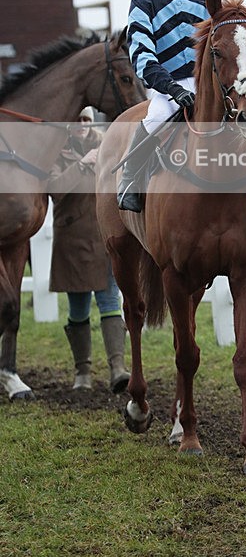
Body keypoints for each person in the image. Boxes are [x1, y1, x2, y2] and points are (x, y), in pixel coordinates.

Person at [118, 0, 211, 212]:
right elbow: (142, 58)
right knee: (156, 118)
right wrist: (172, 89)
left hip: (210, 81)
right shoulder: (143, 2)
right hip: (167, 88)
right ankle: (130, 180)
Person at [48, 108, 130, 393]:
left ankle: (118, 368)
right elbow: (55, 189)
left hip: (103, 237)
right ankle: (82, 372)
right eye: (75, 119)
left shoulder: (107, 143)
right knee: (78, 307)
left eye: (85, 119)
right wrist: (82, 164)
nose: (81, 125)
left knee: (110, 302)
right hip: (73, 241)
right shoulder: (56, 150)